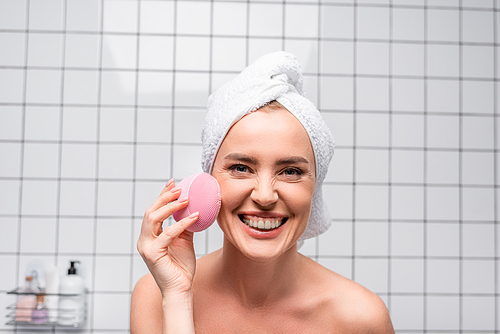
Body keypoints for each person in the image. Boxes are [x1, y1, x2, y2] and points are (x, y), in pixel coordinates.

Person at [130, 52, 394, 333]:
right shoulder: (157, 296)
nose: (265, 196)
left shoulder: (361, 318)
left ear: (315, 188)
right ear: (208, 181)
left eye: (291, 171)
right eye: (242, 168)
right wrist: (178, 298)